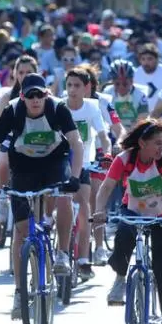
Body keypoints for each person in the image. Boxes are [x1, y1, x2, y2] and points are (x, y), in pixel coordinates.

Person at [0, 73, 85, 315]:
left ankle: (61, 255)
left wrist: (75, 178)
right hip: (24, 165)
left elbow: (76, 144)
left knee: (63, 196)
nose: (36, 100)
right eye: (30, 96)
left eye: (40, 95)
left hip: (54, 163)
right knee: (21, 231)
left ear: (46, 95)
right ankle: (20, 292)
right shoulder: (12, 112)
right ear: (22, 97)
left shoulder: (58, 109)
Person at [92, 119, 162, 324]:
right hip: (134, 211)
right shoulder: (124, 159)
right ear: (142, 142)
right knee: (124, 233)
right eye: (157, 143)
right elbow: (106, 188)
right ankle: (119, 279)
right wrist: (99, 211)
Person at [63, 67, 111, 280]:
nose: (72, 90)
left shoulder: (92, 107)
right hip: (60, 164)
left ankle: (83, 260)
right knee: (58, 205)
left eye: (77, 86)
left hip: (84, 163)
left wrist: (108, 152)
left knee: (84, 208)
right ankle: (59, 251)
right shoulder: (58, 106)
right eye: (69, 85)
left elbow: (103, 135)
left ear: (87, 88)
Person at [105, 59, 150, 132]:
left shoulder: (141, 94)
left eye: (125, 84)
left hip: (134, 131)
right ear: (112, 81)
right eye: (117, 84)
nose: (121, 87)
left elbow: (142, 119)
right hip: (114, 130)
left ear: (132, 81)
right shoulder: (107, 93)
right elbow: (106, 117)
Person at [134, 42, 162, 113]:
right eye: (143, 59)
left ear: (157, 59)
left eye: (150, 59)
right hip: (142, 117)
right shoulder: (135, 74)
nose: (146, 62)